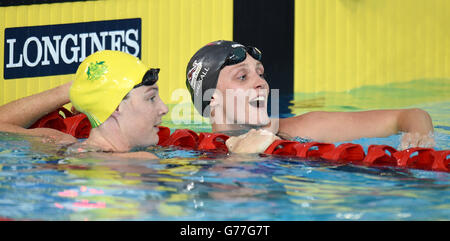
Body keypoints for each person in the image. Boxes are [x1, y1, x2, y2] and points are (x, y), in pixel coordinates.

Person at [185, 40, 435, 153]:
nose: (261, 83)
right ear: (212, 99)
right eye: (243, 77)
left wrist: (421, 139)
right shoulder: (185, 149)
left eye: (260, 74)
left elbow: (410, 115)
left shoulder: (301, 128)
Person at [0, 50, 168, 158]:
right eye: (151, 98)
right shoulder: (142, 161)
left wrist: (76, 90)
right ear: (115, 106)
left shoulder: (57, 144)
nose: (164, 109)